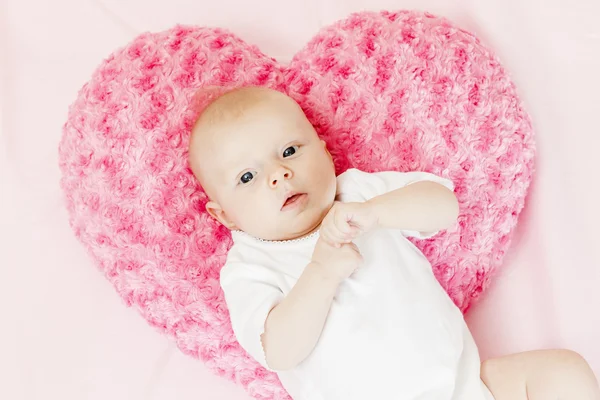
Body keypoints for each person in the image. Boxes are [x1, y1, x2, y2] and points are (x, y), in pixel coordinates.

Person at [188, 86, 599, 400]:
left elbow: (444, 206)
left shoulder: (358, 195)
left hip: (467, 386)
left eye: (290, 151)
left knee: (563, 373)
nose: (279, 174)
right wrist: (321, 273)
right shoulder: (250, 266)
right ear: (223, 215)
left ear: (326, 152)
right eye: (247, 177)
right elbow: (279, 351)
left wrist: (378, 213)